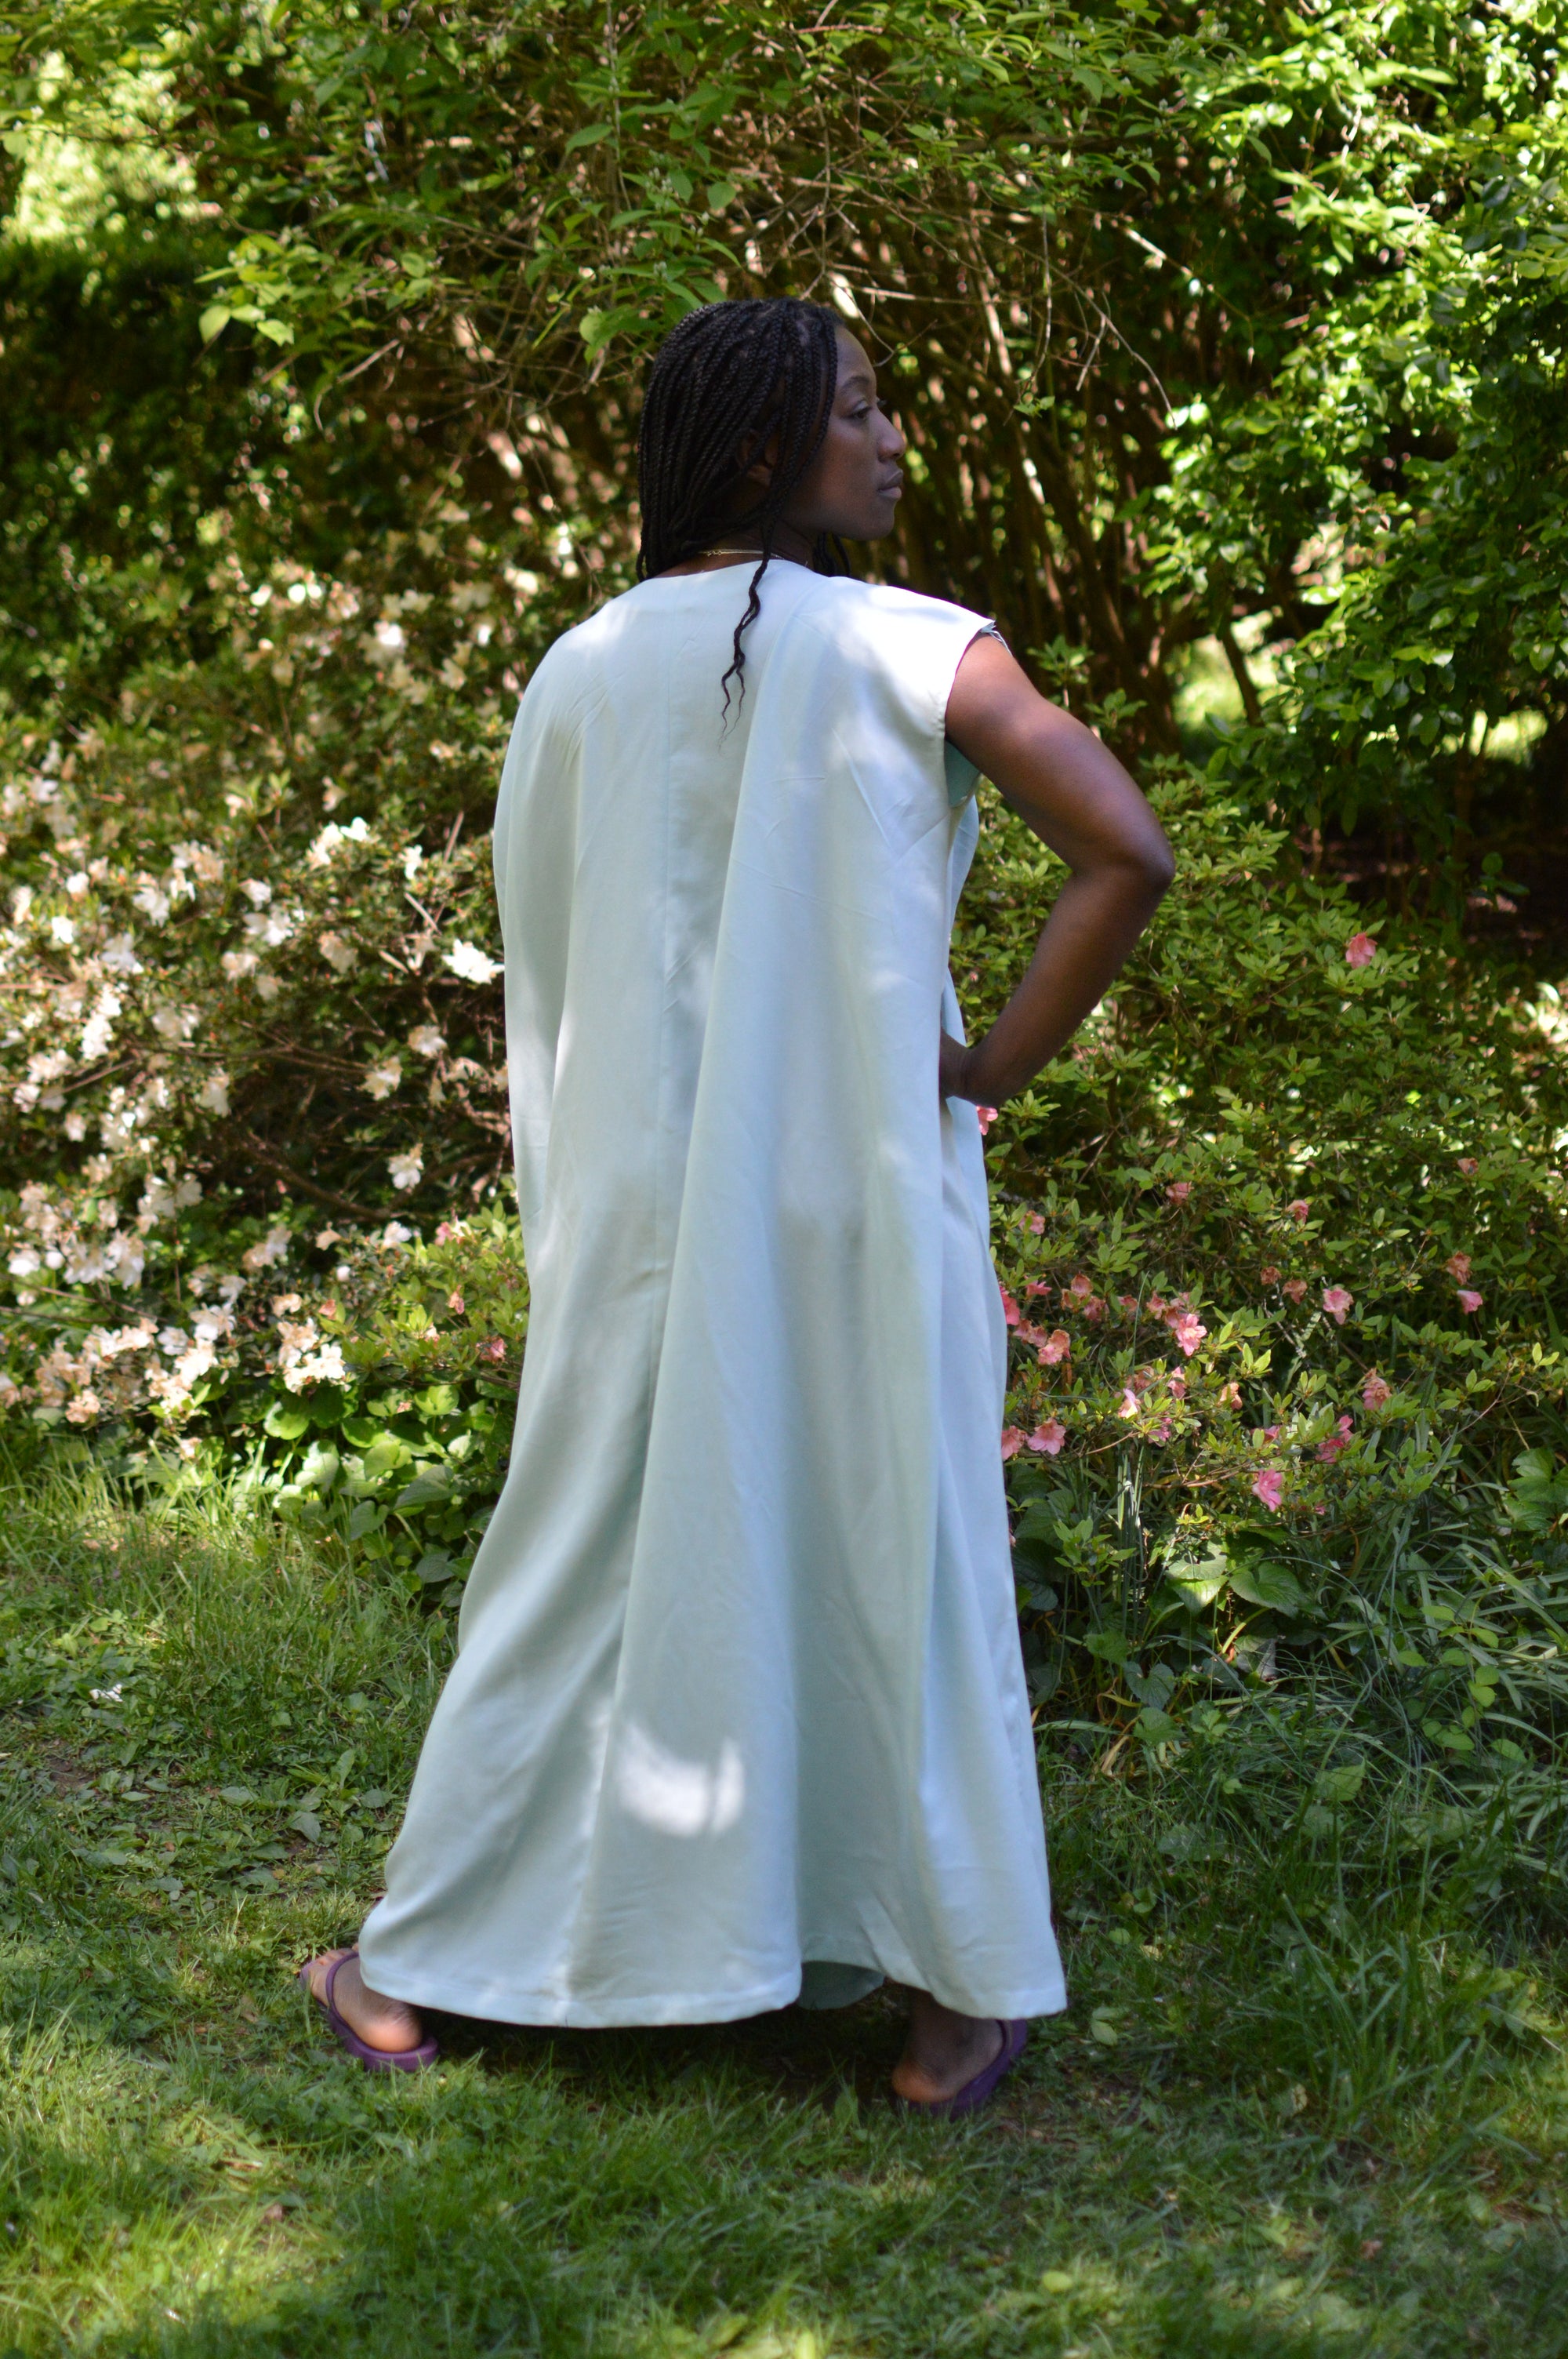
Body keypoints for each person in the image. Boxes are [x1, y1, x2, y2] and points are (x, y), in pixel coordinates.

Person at [302, 297, 1173, 2114]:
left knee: (588, 1571)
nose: (895, 440)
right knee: (896, 1556)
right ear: (767, 442)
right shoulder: (926, 652)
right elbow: (1126, 849)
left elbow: (556, 962)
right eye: (859, 409)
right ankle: (947, 2007)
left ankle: (410, 1966)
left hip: (637, 1222)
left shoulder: (581, 667)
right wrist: (988, 1067)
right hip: (857, 1199)